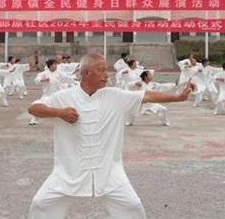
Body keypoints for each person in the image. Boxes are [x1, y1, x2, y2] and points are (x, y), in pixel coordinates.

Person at [27, 53, 193, 219]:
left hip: (109, 173)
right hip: (68, 173)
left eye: (106, 70)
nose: (106, 74)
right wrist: (58, 112)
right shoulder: (64, 97)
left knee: (133, 207)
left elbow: (146, 96)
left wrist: (178, 97)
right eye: (101, 70)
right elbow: (34, 108)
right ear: (86, 73)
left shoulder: (115, 96)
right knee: (41, 204)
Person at [29, 59, 73, 125]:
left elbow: (67, 78)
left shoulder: (59, 73)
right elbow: (37, 80)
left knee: (65, 105)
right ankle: (33, 120)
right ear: (50, 65)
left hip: (58, 94)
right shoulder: (45, 73)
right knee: (39, 105)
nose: (56, 66)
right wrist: (43, 80)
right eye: (54, 64)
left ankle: (69, 119)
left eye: (56, 64)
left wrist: (74, 79)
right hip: (47, 94)